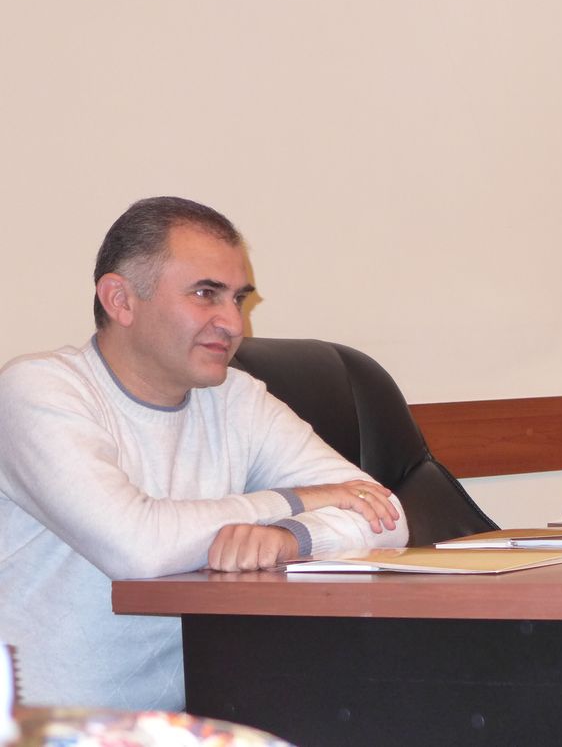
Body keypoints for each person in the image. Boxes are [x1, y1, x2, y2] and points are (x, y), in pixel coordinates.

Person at [0, 197, 409, 712]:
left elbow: (388, 518)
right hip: (39, 727)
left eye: (238, 299)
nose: (234, 323)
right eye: (205, 294)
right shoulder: (37, 390)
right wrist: (296, 500)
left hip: (187, 724)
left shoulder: (236, 399)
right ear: (120, 300)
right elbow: (138, 547)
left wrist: (289, 538)